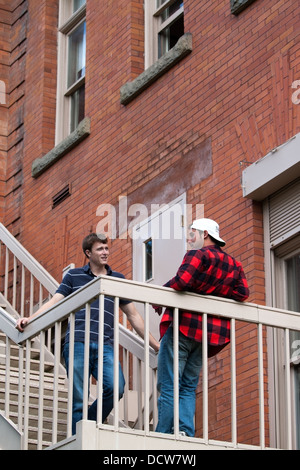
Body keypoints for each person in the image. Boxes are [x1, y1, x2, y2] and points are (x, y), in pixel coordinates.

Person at [16, 233, 159, 434]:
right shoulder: (74, 276)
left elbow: (133, 315)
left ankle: (88, 426)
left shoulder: (117, 279)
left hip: (105, 345)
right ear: (88, 253)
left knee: (116, 387)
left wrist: (156, 346)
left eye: (106, 248)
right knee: (79, 398)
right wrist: (30, 319)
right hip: (77, 343)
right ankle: (79, 440)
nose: (105, 252)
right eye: (100, 249)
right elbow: (55, 300)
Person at [154, 218, 249, 437]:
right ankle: (186, 432)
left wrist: (159, 297)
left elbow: (182, 281)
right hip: (207, 335)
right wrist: (215, 293)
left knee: (170, 385)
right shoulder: (234, 264)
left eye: (192, 233)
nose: (189, 238)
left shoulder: (197, 254)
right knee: (188, 385)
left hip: (183, 327)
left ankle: (164, 435)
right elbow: (243, 293)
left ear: (204, 234)